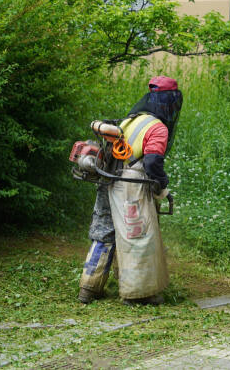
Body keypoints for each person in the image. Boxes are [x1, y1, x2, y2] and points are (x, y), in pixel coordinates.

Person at [78, 76, 182, 305]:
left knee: (103, 233)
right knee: (138, 236)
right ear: (170, 102)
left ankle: (89, 288)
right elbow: (153, 162)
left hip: (108, 179)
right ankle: (139, 294)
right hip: (130, 187)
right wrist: (162, 185)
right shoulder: (158, 128)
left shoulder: (131, 119)